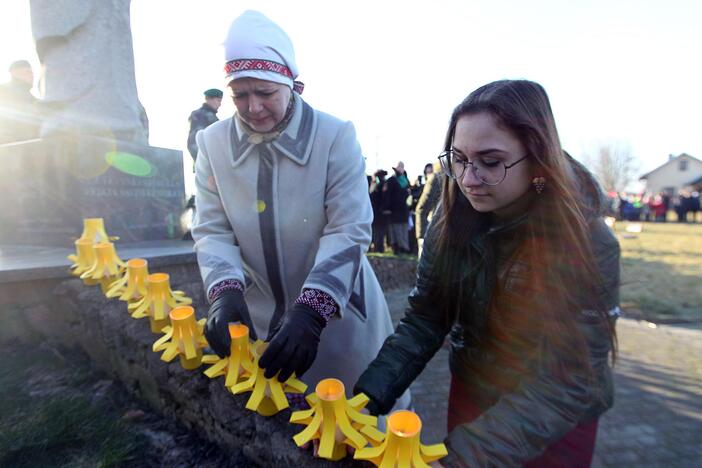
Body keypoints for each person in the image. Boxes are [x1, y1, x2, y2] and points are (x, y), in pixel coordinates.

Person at [354, 80, 620, 467]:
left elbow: (569, 380)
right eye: (458, 159)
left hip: (558, 414)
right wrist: (363, 402)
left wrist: (463, 458)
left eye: (490, 162)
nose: (467, 179)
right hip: (474, 388)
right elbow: (427, 318)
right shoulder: (450, 216)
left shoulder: (589, 240)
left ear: (537, 160)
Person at [191, 11, 410, 410]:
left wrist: (313, 310)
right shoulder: (211, 143)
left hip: (336, 315)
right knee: (279, 423)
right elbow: (212, 229)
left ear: (290, 84)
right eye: (240, 95)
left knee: (354, 422)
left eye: (265, 92)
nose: (253, 107)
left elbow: (348, 228)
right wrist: (223, 290)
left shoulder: (335, 136)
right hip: (259, 316)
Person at [0, 60, 39, 144]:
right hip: (6, 148)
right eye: (27, 72)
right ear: (14, 73)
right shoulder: (2, 92)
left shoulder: (34, 101)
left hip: (30, 148)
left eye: (32, 73)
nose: (32, 76)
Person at [187, 88, 223, 161]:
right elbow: (195, 142)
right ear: (209, 99)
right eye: (218, 100)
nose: (220, 104)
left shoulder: (213, 118)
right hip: (206, 165)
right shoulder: (199, 115)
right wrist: (204, 163)